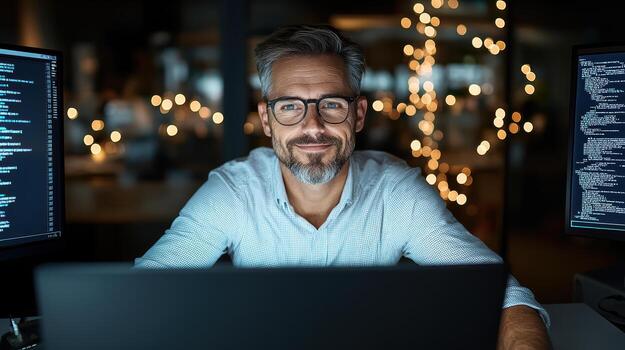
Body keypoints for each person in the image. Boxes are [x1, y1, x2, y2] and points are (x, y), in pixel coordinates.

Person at [135, 24, 551, 349]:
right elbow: (144, 294)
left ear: (358, 116)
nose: (312, 126)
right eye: (290, 107)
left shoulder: (397, 191)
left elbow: (504, 297)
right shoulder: (232, 191)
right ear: (266, 119)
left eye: (331, 104)